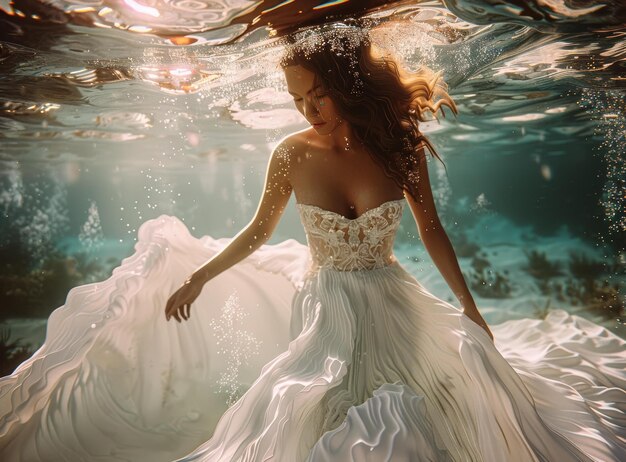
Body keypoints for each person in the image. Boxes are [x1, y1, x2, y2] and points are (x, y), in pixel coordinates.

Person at [1, 24, 625, 462]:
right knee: (321, 407)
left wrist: (470, 305)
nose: (307, 110)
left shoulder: (400, 148)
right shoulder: (288, 155)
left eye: (316, 94)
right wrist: (199, 277)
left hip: (394, 301)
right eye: (297, 99)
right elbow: (257, 232)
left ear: (345, 83)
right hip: (327, 304)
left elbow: (433, 232)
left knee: (443, 405)